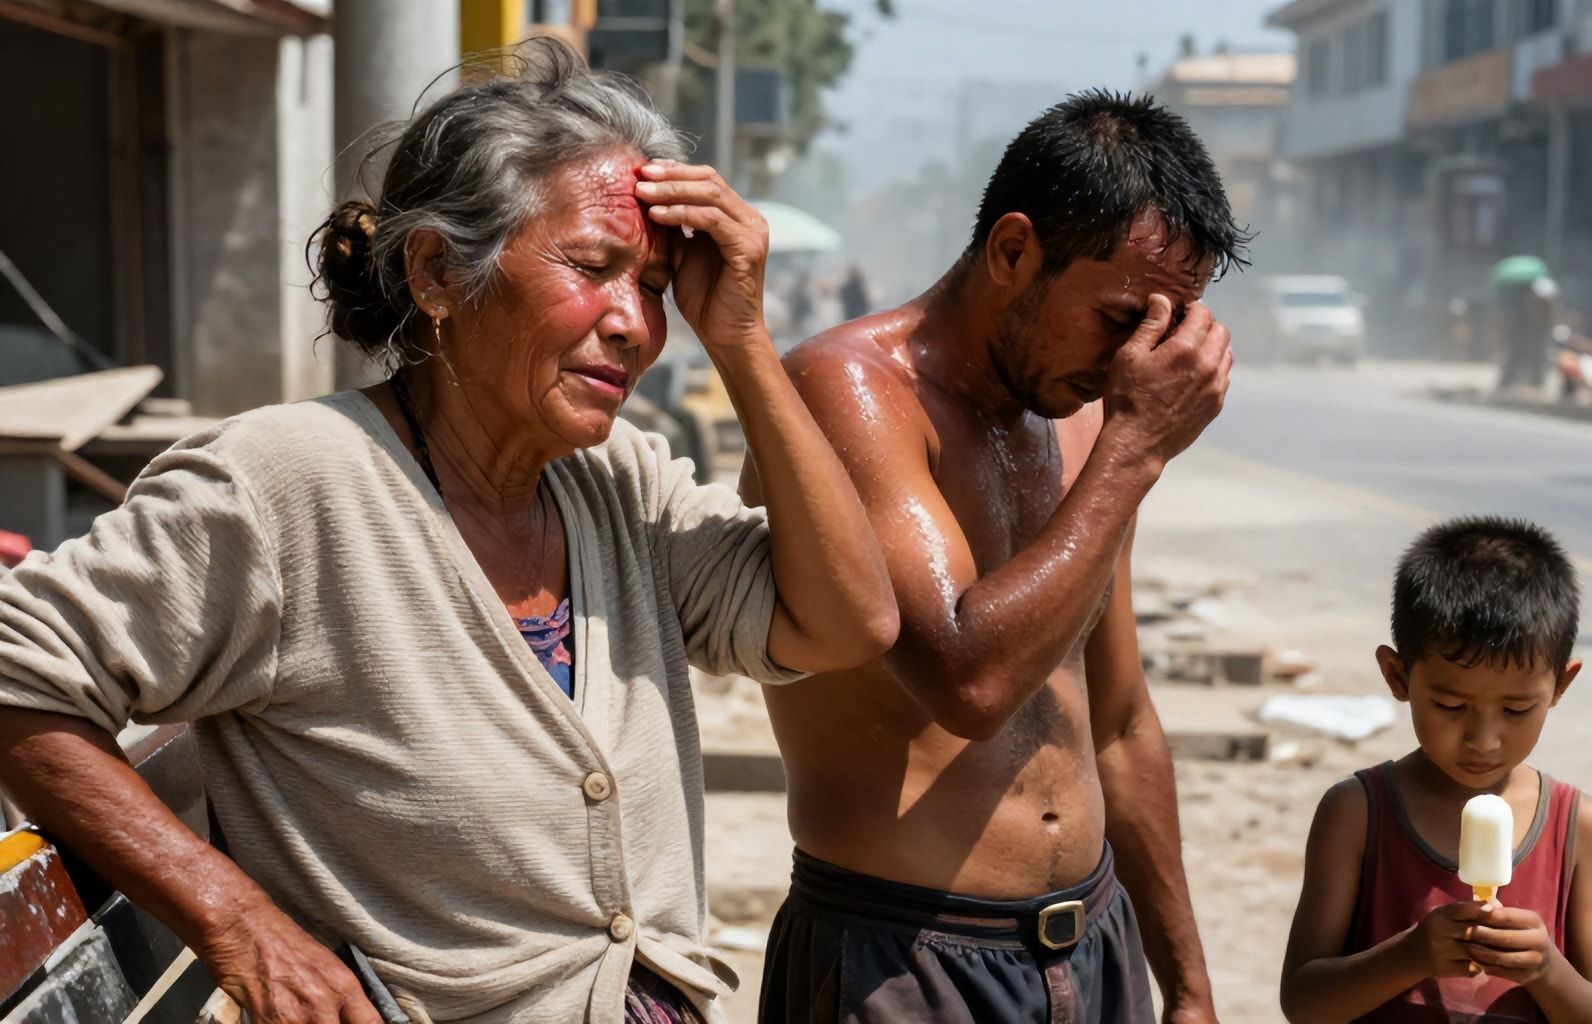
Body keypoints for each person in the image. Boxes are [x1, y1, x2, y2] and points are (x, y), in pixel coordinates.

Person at [0, 40, 896, 1024]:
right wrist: (234, 918)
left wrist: (742, 340)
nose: (634, 322)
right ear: (436, 273)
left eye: (652, 285)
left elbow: (848, 624)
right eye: (594, 267)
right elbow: (16, 667)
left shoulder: (615, 485)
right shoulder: (290, 482)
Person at [749, 91, 1246, 1023]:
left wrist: (1188, 985)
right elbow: (967, 682)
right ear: (1013, 251)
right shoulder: (851, 392)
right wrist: (1134, 452)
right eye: (1118, 317)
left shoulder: (1090, 416)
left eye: (1164, 330)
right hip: (903, 958)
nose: (1132, 359)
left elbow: (1121, 720)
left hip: (1096, 941)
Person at [1280, 518, 1592, 1024]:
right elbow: (1304, 1004)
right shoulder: (1356, 813)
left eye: (1515, 710)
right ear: (1397, 676)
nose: (1483, 740)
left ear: (1560, 686)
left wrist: (1548, 970)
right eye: (1449, 704)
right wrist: (1409, 956)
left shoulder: (1580, 828)